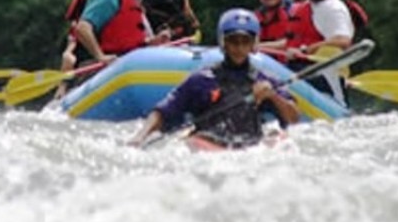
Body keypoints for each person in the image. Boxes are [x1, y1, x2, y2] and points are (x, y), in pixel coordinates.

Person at [128, 8, 299, 148]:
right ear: (223, 43)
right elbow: (163, 112)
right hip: (209, 144)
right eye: (233, 41)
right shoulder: (201, 80)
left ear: (253, 44)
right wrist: (140, 136)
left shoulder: (265, 81)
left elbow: (293, 119)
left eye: (245, 41)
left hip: (250, 147)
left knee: (279, 138)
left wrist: (274, 97)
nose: (239, 47)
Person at [57, 0, 152, 97]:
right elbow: (82, 28)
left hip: (123, 67)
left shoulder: (127, 2)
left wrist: (155, 42)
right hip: (98, 69)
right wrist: (101, 56)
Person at [284, 0, 354, 104]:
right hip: (303, 79)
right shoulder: (305, 7)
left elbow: (343, 40)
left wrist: (305, 50)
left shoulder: (334, 8)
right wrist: (255, 46)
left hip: (327, 87)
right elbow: (289, 42)